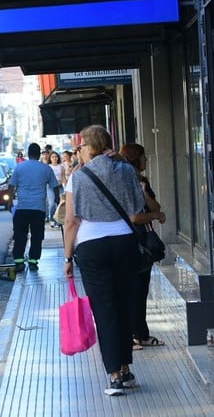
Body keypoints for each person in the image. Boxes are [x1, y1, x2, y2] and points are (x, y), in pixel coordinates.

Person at [62, 125, 145, 396]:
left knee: (104, 309)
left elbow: (71, 221)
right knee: (124, 305)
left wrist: (67, 257)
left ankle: (114, 375)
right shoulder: (126, 170)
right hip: (124, 243)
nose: (79, 151)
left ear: (91, 147)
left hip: (91, 247)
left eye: (82, 146)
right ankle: (125, 368)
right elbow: (136, 207)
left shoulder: (78, 177)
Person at [119, 143, 167, 349]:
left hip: (145, 243)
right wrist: (155, 215)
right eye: (143, 156)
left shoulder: (142, 181)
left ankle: (140, 333)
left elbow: (157, 206)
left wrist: (146, 195)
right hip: (130, 241)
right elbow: (134, 217)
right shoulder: (124, 182)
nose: (146, 159)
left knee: (141, 289)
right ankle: (131, 335)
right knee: (132, 290)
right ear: (134, 158)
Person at [8, 142, 60, 272]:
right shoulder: (46, 169)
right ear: (39, 154)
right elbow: (55, 186)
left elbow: (11, 185)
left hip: (22, 207)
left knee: (20, 235)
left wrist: (9, 201)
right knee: (37, 236)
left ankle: (19, 262)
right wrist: (57, 199)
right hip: (39, 208)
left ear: (28, 153)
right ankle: (33, 262)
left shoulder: (19, 167)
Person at [47, 151, 64, 228]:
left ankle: (59, 221)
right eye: (53, 157)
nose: (54, 158)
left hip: (59, 187)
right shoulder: (48, 167)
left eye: (56, 156)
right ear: (50, 158)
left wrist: (66, 187)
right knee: (52, 204)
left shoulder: (61, 166)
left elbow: (63, 177)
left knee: (60, 204)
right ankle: (52, 219)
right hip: (51, 187)